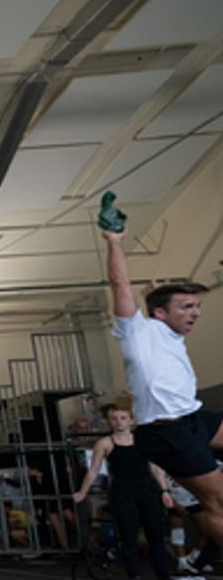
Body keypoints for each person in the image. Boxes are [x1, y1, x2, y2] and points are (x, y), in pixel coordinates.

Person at [103, 217, 223, 550]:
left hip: (195, 417)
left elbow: (150, 300)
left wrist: (153, 293)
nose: (196, 313)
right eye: (187, 307)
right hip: (167, 431)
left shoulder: (169, 332)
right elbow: (119, 284)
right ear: (159, 313)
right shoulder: (135, 333)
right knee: (216, 503)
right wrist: (115, 241)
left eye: (197, 306)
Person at [72, 404, 182, 580]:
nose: (119, 422)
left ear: (132, 420)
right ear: (109, 421)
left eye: (123, 418)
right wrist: (82, 492)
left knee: (156, 535)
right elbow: (94, 470)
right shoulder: (105, 443)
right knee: (128, 536)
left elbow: (156, 467)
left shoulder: (143, 440)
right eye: (114, 418)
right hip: (123, 491)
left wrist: (164, 490)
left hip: (148, 490)